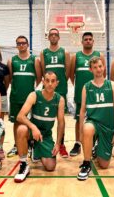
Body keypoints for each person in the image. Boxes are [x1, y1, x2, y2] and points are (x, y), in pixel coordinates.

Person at [14, 71, 65, 183]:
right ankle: (23, 165)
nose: (50, 84)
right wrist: (33, 127)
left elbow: (61, 123)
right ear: (43, 82)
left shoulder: (60, 100)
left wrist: (58, 144)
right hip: (33, 132)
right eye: (47, 80)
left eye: (53, 81)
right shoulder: (34, 95)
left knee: (50, 167)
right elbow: (20, 116)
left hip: (45, 135)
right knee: (22, 129)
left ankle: (35, 148)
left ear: (57, 83)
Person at [77, 56, 114, 181]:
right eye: (95, 67)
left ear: (104, 67)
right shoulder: (87, 87)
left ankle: (96, 148)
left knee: (104, 165)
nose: (98, 69)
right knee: (87, 128)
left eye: (100, 66)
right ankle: (86, 163)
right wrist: (80, 132)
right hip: (93, 123)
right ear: (91, 70)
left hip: (108, 127)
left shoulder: (112, 85)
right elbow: (82, 110)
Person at [69, 32, 105, 156]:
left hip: (96, 94)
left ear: (93, 41)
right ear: (82, 42)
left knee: (98, 119)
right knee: (79, 119)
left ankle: (96, 144)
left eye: (90, 39)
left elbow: (102, 74)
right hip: (81, 94)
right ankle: (78, 143)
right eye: (86, 39)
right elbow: (71, 74)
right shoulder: (75, 56)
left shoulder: (99, 55)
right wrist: (80, 87)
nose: (88, 41)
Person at [7, 36, 42, 157]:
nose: (21, 45)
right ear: (16, 45)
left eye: (23, 43)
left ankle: (30, 144)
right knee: (16, 122)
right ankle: (16, 145)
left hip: (29, 99)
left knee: (30, 122)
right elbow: (11, 78)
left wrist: (30, 90)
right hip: (16, 97)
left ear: (27, 45)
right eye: (19, 43)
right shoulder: (12, 60)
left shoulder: (35, 60)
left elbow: (38, 78)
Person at [40, 28, 70, 158]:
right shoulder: (43, 53)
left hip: (61, 89)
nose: (53, 36)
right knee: (43, 116)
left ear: (58, 37)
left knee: (61, 119)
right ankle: (41, 143)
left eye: (55, 34)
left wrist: (61, 83)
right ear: (48, 37)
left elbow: (67, 72)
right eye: (51, 34)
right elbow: (42, 71)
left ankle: (61, 144)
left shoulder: (65, 52)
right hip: (47, 89)